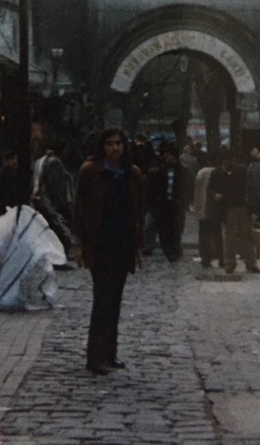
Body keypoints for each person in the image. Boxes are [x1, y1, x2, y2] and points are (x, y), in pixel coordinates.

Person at [73, 127, 145, 375]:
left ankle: (110, 353)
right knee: (102, 300)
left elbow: (137, 212)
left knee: (115, 301)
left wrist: (137, 246)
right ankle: (95, 356)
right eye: (109, 144)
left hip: (122, 244)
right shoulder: (90, 172)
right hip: (99, 243)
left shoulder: (132, 174)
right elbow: (81, 209)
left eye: (118, 143)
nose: (114, 148)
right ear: (102, 147)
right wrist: (80, 244)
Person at [209, 147, 260, 274]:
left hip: (242, 206)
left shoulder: (241, 171)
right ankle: (230, 264)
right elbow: (210, 189)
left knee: (247, 236)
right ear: (223, 161)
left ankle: (250, 263)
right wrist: (215, 195)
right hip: (227, 208)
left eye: (232, 160)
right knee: (229, 237)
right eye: (228, 160)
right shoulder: (216, 173)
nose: (230, 163)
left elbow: (249, 187)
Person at [144, 144, 192, 261]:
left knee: (177, 228)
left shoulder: (183, 171)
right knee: (164, 229)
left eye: (169, 155)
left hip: (177, 205)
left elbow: (189, 187)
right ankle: (169, 251)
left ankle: (175, 249)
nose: (166, 158)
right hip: (164, 205)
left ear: (174, 157)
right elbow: (155, 187)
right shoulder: (161, 171)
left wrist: (184, 201)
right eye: (166, 155)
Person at [194, 160, 223, 268]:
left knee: (204, 235)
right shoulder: (218, 172)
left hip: (202, 209)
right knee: (218, 235)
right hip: (215, 209)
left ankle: (205, 259)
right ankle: (221, 259)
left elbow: (196, 192)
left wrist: (197, 209)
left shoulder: (200, 173)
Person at [0, 151, 31, 216]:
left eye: (16, 159)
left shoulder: (15, 176)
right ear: (6, 161)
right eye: (12, 159)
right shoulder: (1, 176)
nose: (15, 161)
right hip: (3, 213)